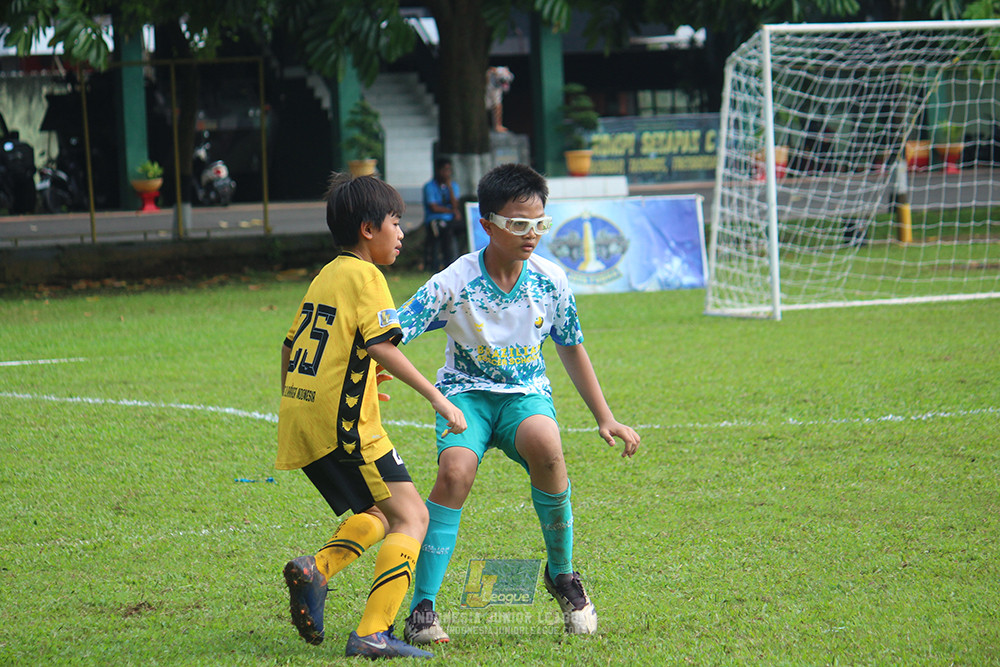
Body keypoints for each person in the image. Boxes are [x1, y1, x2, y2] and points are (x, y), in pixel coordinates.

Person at [396, 163, 641, 644]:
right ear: (487, 224)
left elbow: (570, 346)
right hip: (465, 396)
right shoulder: (454, 281)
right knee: (454, 472)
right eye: (518, 224)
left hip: (526, 394)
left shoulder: (552, 280)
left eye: (539, 224)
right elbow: (394, 331)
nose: (531, 235)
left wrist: (605, 416)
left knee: (548, 447)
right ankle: (422, 608)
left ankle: (563, 575)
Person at [277, 173, 466, 659]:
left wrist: (320, 393)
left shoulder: (327, 275)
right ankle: (373, 632)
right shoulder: (367, 277)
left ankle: (316, 570)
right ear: (368, 229)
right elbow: (381, 344)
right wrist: (437, 398)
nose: (401, 233)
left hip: (304, 419)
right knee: (413, 515)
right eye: (395, 222)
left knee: (378, 512)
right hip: (346, 430)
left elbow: (291, 346)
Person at [421, 158, 462, 272]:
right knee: (443, 232)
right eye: (444, 170)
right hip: (435, 219)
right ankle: (440, 264)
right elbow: (433, 207)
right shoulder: (430, 187)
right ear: (438, 170)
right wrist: (452, 212)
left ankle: (454, 261)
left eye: (449, 170)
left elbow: (455, 205)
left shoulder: (453, 186)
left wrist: (449, 188)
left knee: (457, 230)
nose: (447, 173)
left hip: (450, 220)